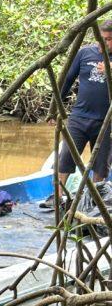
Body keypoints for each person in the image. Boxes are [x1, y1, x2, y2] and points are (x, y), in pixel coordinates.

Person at [53, 22, 112, 191]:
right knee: (66, 157)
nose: (104, 44)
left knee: (101, 164)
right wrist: (55, 109)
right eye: (101, 39)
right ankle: (57, 194)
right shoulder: (84, 53)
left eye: (108, 40)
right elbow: (66, 81)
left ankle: (95, 197)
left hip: (107, 121)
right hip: (80, 117)